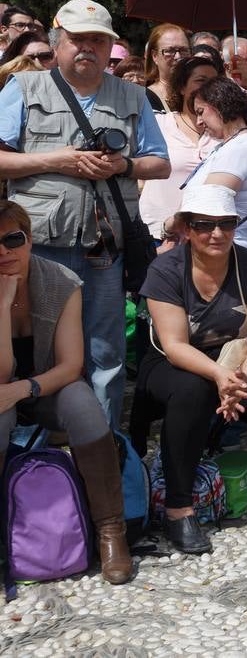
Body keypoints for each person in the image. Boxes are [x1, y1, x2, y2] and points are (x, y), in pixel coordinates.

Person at [0, 0, 170, 425]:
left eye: (98, 40)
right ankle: (37, 448)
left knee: (105, 350)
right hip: (38, 246)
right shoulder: (23, 88)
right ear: (58, 44)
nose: (87, 48)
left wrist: (123, 165)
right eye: (78, 39)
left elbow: (160, 163)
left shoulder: (132, 95)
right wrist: (54, 160)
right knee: (39, 346)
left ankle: (102, 446)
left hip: (104, 247)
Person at [138, 185, 247, 551]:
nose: (216, 233)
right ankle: (179, 509)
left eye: (226, 224)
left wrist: (238, 382)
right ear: (186, 228)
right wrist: (219, 377)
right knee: (191, 391)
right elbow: (174, 345)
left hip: (239, 357)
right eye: (204, 225)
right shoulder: (166, 269)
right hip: (175, 360)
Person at [0, 200, 132, 583]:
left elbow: (71, 366)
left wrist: (25, 389)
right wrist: (3, 304)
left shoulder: (60, 280)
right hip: (2, 390)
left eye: (13, 239)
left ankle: (111, 532)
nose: (5, 251)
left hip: (43, 387)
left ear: (29, 239)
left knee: (83, 403)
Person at [139, 53, 225, 243]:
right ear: (181, 87)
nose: (209, 87)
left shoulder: (226, 132)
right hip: (157, 235)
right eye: (201, 80)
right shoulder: (158, 123)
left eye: (214, 81)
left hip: (208, 237)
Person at [183, 77, 247, 255]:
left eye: (201, 111)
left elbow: (210, 203)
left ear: (220, 103)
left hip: (233, 254)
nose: (198, 121)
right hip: (220, 252)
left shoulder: (241, 148)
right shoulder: (231, 145)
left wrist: (170, 225)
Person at [143, 23, 191, 112]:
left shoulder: (201, 93)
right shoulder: (144, 99)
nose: (178, 56)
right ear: (155, 56)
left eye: (183, 50)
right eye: (170, 51)